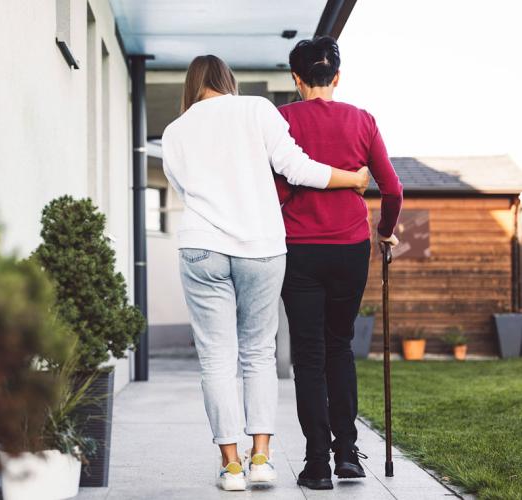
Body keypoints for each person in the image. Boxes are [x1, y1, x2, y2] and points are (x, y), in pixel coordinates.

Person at [160, 54, 370, 491]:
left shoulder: (176, 131)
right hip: (261, 247)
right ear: (228, 80)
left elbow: (183, 190)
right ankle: (261, 459)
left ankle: (231, 466)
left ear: (192, 85)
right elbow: (295, 168)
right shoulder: (257, 109)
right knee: (258, 353)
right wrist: (351, 179)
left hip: (202, 246)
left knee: (217, 358)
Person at [275, 37, 403, 490]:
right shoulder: (362, 120)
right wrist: (385, 231)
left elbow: (275, 189)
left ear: (296, 78)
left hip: (299, 250)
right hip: (350, 249)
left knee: (308, 356)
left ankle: (315, 464)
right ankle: (347, 453)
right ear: (337, 77)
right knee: (340, 346)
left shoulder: (282, 119)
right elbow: (393, 190)